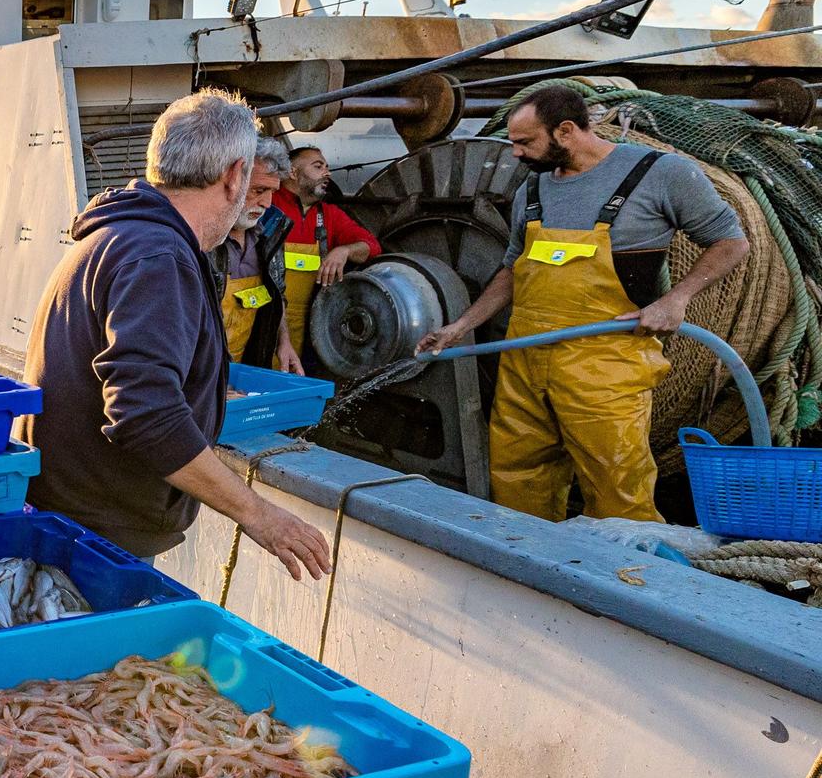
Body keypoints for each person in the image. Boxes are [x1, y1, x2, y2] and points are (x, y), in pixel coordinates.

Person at [17, 89, 332, 577]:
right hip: (97, 540)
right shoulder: (158, 258)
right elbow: (146, 414)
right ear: (233, 176)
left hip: (68, 520)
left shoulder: (119, 235)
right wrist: (260, 514)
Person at [417, 84, 749, 522]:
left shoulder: (660, 173)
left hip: (604, 364)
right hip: (524, 361)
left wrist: (676, 299)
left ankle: (630, 580)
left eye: (525, 142)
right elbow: (513, 271)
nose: (515, 154)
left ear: (567, 131)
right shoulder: (531, 191)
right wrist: (461, 326)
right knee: (518, 481)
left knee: (618, 492)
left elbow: (731, 242)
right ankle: (529, 568)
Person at [273, 145, 383, 355]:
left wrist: (344, 251)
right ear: (292, 172)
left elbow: (372, 246)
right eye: (318, 166)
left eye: (327, 167)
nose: (327, 173)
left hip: (311, 328)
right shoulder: (268, 203)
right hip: (267, 320)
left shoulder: (330, 215)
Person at [214, 137, 302, 374]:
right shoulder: (204, 240)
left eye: (273, 191)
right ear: (230, 180)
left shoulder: (270, 233)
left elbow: (277, 296)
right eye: (258, 190)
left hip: (246, 374)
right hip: (203, 382)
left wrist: (284, 342)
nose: (266, 202)